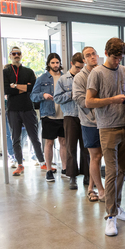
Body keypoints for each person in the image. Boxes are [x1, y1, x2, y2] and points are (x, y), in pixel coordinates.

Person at [86, 38, 125, 236]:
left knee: (123, 171)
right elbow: (89, 102)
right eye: (115, 57)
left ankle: (117, 207)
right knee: (112, 172)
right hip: (106, 127)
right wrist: (112, 100)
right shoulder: (97, 73)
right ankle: (110, 215)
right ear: (106, 53)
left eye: (121, 58)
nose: (118, 61)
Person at [3, 46, 45, 176]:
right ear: (10, 55)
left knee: (34, 137)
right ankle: (20, 164)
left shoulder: (28, 71)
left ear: (21, 55)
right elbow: (5, 90)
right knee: (16, 138)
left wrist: (14, 86)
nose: (16, 55)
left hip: (28, 108)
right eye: (14, 53)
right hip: (13, 109)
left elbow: (32, 88)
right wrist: (23, 87)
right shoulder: (5, 72)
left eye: (18, 53)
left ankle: (43, 162)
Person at [73, 46, 106, 202]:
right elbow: (81, 101)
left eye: (94, 54)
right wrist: (102, 102)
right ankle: (99, 189)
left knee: (102, 156)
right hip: (90, 122)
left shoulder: (103, 72)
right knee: (95, 156)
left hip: (107, 121)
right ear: (84, 60)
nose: (92, 57)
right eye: (88, 55)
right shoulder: (80, 78)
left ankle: (91, 187)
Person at [54, 52, 91, 190]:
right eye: (77, 67)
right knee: (70, 148)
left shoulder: (87, 77)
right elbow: (57, 98)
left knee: (86, 147)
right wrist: (72, 94)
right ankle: (72, 177)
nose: (80, 70)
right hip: (70, 116)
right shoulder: (63, 79)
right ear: (71, 64)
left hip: (85, 116)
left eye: (82, 67)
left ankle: (87, 175)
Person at [31, 53, 67, 182]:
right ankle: (49, 170)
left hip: (63, 114)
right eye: (53, 63)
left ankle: (65, 168)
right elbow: (33, 96)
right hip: (48, 115)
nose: (55, 65)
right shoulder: (42, 78)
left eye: (57, 62)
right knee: (49, 143)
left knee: (64, 142)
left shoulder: (65, 77)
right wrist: (43, 95)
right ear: (48, 64)